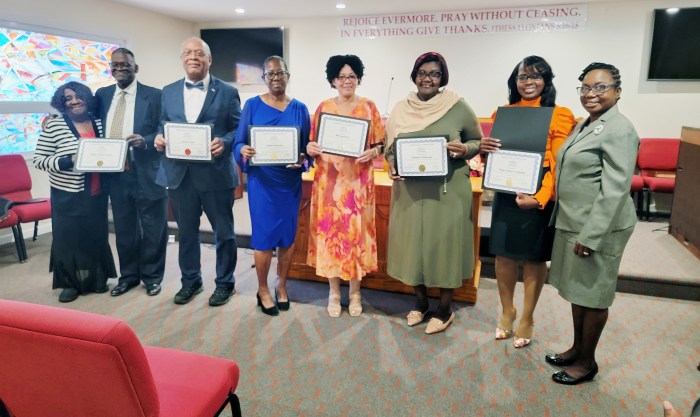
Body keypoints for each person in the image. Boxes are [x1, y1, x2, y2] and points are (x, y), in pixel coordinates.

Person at [545, 62, 639, 385]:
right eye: (585, 87)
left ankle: (587, 362)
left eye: (600, 87)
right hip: (575, 222)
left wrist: (592, 234)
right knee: (578, 290)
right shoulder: (587, 124)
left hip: (600, 227)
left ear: (617, 91)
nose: (591, 94)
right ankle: (577, 347)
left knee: (594, 294)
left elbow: (615, 188)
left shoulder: (620, 128)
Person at [385, 52, 483, 334]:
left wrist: (466, 149)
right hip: (410, 190)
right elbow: (389, 148)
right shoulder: (401, 108)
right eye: (422, 72)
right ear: (414, 75)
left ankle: (445, 308)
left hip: (448, 189)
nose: (427, 78)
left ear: (443, 78)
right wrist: (391, 165)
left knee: (445, 247)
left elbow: (476, 141)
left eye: (434, 74)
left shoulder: (457, 106)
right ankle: (420, 302)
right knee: (414, 245)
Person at [482, 56, 575, 348]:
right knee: (503, 254)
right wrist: (486, 150)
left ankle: (527, 317)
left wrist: (541, 199)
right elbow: (499, 155)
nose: (529, 82)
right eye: (523, 77)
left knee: (535, 258)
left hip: (540, 192)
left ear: (546, 80)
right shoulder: (504, 113)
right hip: (507, 189)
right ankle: (507, 311)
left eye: (535, 76)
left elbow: (559, 164)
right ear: (515, 82)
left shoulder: (559, 114)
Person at [154, 37, 241, 307]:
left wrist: (225, 143)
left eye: (199, 53)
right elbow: (162, 125)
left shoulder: (227, 92)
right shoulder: (167, 91)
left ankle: (225, 283)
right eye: (188, 53)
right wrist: (159, 138)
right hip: (180, 175)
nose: (193, 57)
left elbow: (238, 129)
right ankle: (190, 281)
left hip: (215, 174)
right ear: (182, 59)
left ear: (209, 59)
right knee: (187, 233)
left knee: (223, 233)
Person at [305, 54, 384, 318]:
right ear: (333, 80)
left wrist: (373, 153)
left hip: (358, 184)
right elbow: (312, 144)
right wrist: (310, 147)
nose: (346, 81)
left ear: (358, 78)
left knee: (355, 236)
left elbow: (380, 145)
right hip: (330, 183)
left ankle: (355, 292)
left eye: (351, 76)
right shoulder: (324, 107)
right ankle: (334, 292)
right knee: (332, 237)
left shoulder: (369, 107)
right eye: (341, 76)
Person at [234, 56, 310, 316]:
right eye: (270, 74)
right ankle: (263, 289)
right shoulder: (252, 106)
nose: (276, 78)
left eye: (281, 73)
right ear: (264, 79)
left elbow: (307, 150)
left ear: (288, 75)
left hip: (289, 183)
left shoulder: (300, 108)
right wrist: (243, 149)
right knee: (264, 239)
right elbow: (237, 144)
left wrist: (303, 160)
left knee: (287, 238)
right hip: (262, 184)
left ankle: (282, 285)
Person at [33, 81, 117, 302]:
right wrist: (67, 161)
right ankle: (70, 284)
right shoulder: (54, 125)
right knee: (69, 239)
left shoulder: (99, 123)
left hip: (97, 192)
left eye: (78, 96)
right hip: (67, 193)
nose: (74, 101)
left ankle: (97, 278)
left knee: (95, 236)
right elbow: (40, 160)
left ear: (87, 98)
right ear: (62, 102)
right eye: (68, 98)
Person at [95, 47, 167, 298]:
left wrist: (146, 140)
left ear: (136, 68)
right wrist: (54, 115)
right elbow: (80, 113)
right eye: (115, 65)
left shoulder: (156, 96)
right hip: (116, 173)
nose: (120, 68)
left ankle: (152, 277)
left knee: (153, 227)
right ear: (111, 69)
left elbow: (164, 127)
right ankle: (128, 276)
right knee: (124, 227)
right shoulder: (102, 95)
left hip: (147, 169)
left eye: (125, 64)